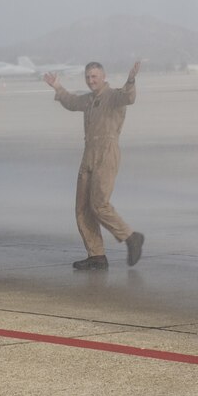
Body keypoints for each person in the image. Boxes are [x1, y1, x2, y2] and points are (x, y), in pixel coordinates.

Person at [45, 61, 144, 270]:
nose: (91, 81)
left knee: (99, 204)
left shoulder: (113, 96)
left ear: (103, 77)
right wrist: (57, 88)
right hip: (88, 153)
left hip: (107, 152)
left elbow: (128, 97)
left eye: (94, 77)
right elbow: (71, 102)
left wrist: (131, 79)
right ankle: (96, 255)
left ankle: (131, 237)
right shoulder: (89, 100)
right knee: (82, 208)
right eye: (88, 77)